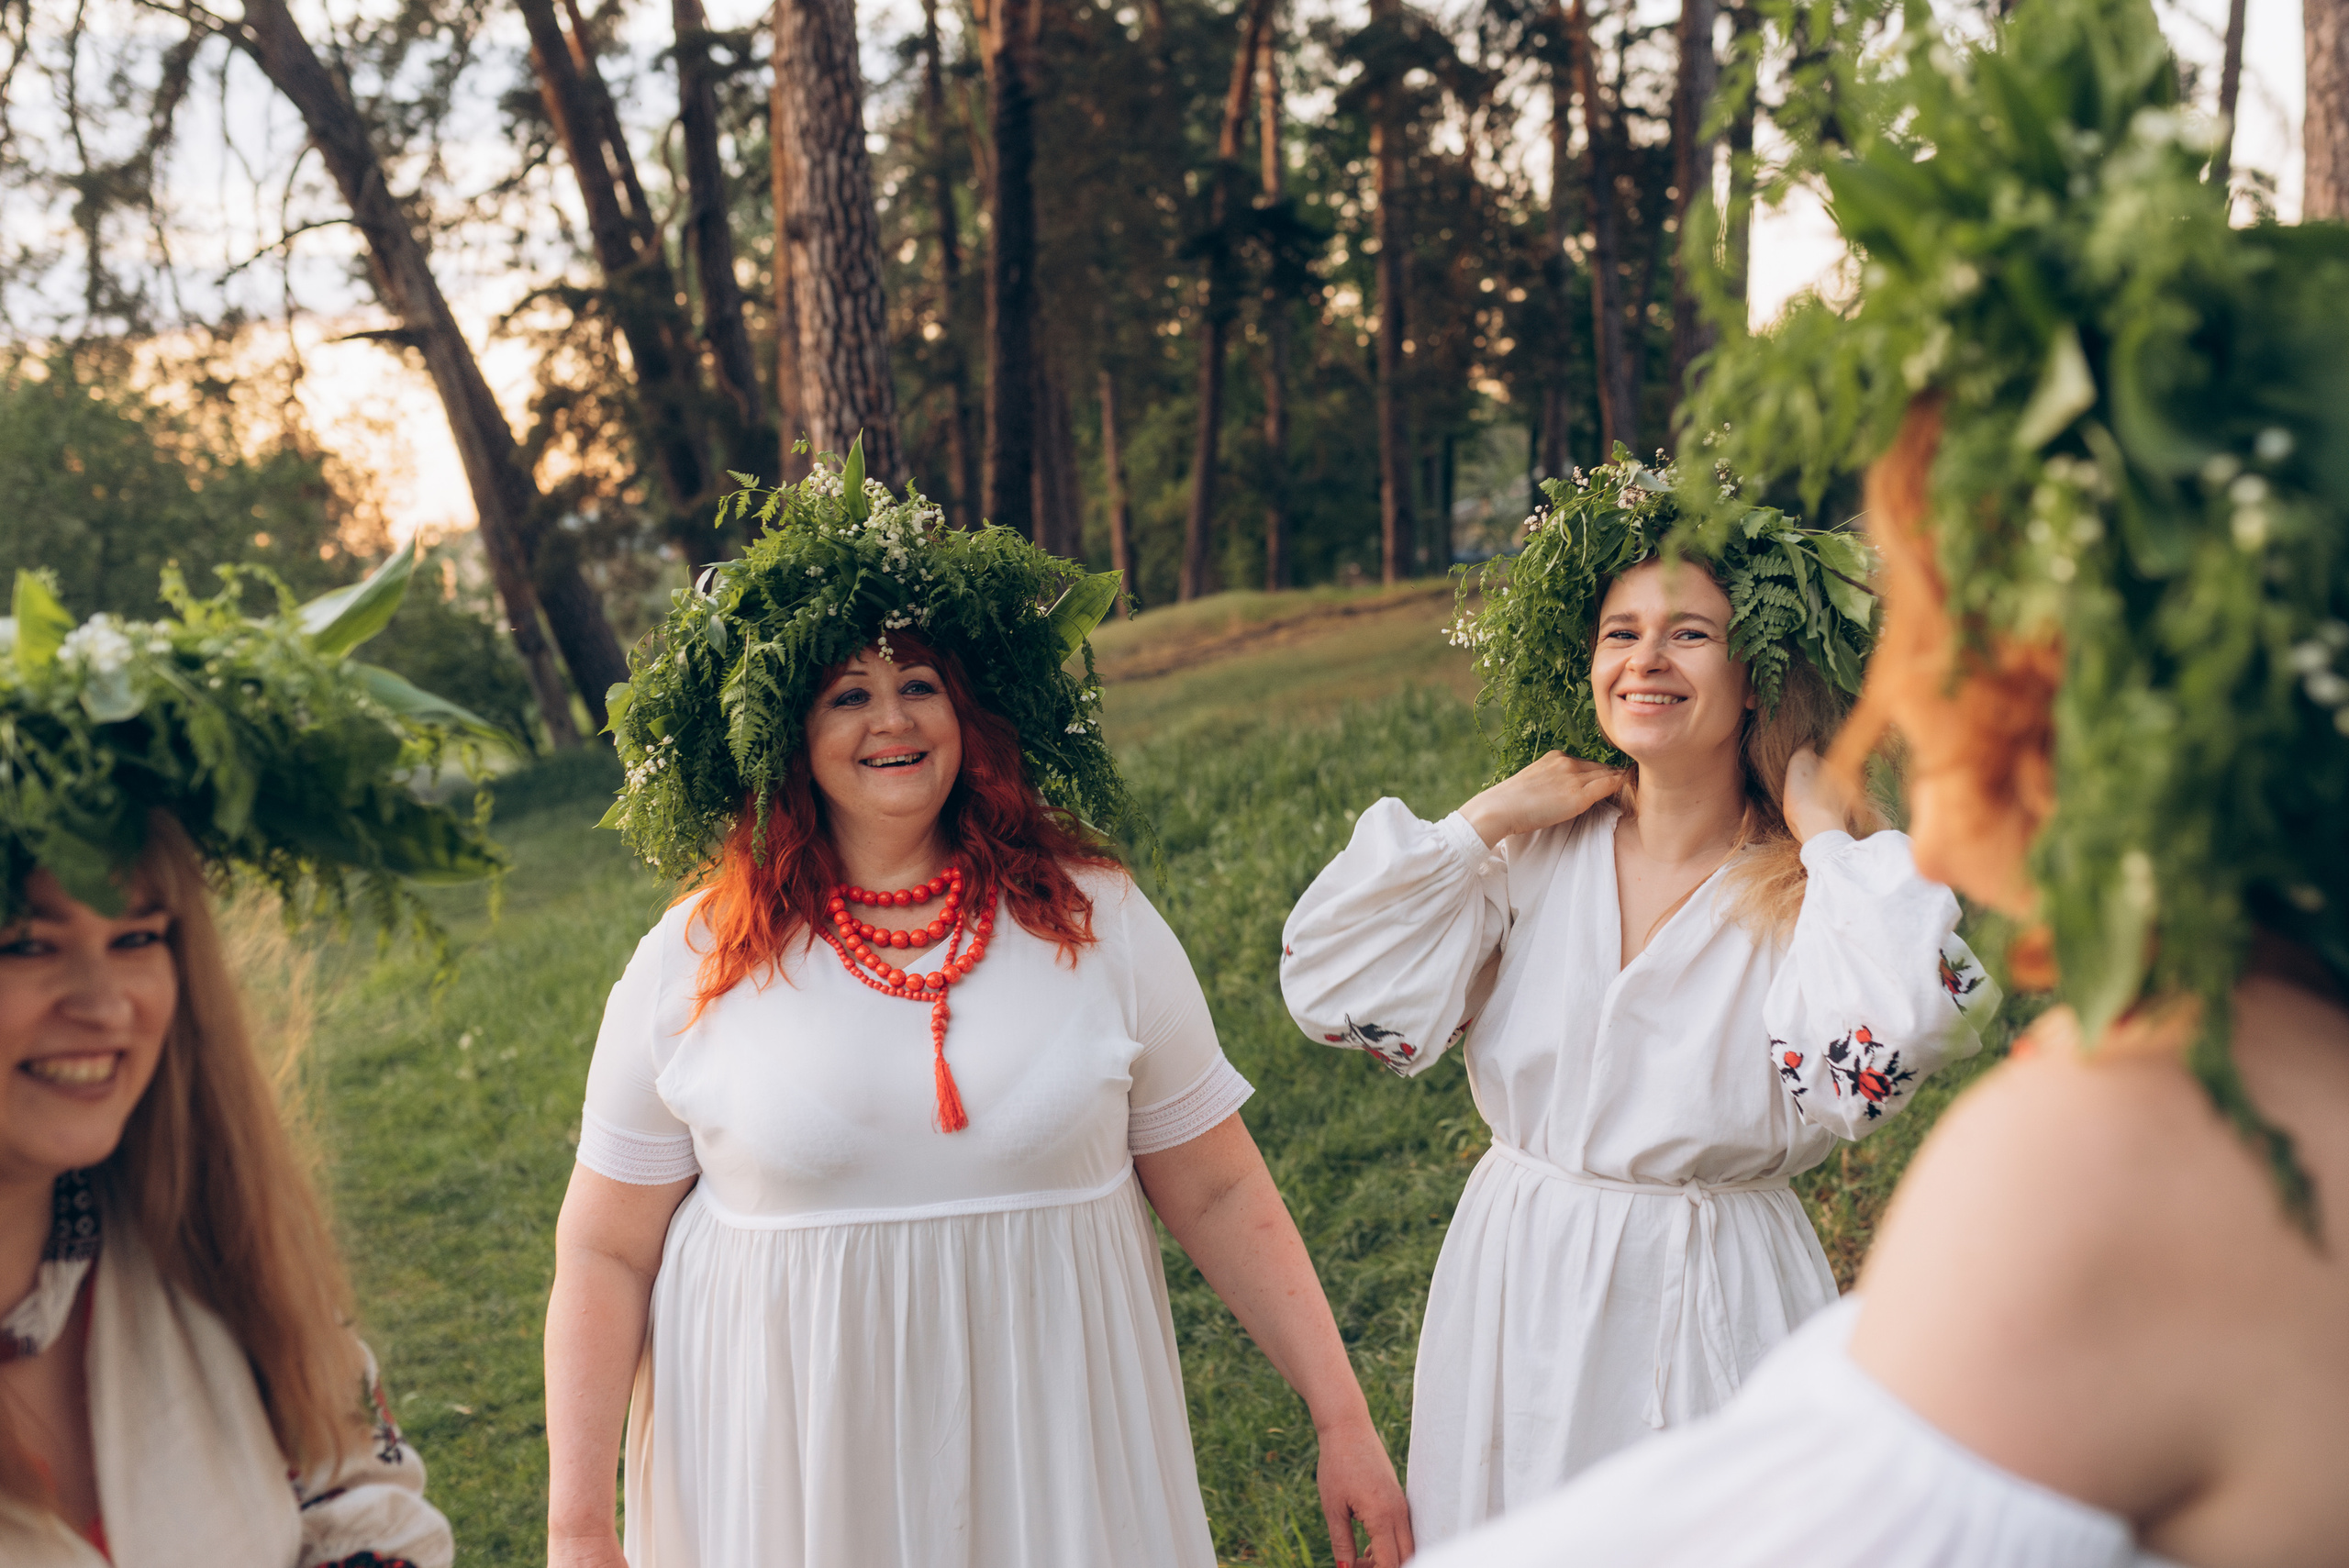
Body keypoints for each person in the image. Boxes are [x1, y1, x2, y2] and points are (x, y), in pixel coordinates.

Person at [1411, 1, 2349, 1562]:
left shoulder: (2122, 1146)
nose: (1890, 687)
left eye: (1928, 609)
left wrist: (1832, 832)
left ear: (2071, 678)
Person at [545, 453, 1411, 1568]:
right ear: (783, 737)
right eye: (846, 693)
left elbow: (1219, 1181)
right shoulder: (696, 956)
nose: (890, 718)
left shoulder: (1098, 917)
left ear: (968, 711)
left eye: (919, 684)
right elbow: (605, 1250)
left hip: (1058, 1470)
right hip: (791, 1487)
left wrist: (1343, 1417)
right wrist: (578, 1525)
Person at [1278, 461, 1998, 1545]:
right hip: (1519, 1278)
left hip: (1713, 1287)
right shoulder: (1528, 858)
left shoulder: (1806, 892)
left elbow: (1875, 1062)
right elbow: (1330, 985)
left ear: (1754, 674)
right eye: (1621, 632)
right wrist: (1485, 814)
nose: (1647, 660)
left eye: (1690, 634)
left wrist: (1833, 839)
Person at [0, 554, 496, 1563]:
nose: (103, 1006)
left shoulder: (214, 1245)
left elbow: (361, 1500)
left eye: (139, 936)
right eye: (25, 943)